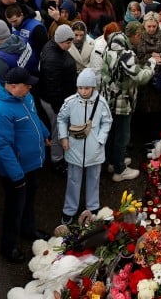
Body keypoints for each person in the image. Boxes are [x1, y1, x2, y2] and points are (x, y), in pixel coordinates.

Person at [0, 67, 49, 263]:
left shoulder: (25, 97)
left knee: (29, 200)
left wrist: (45, 134)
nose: (30, 87)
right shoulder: (0, 112)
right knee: (15, 208)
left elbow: (34, 118)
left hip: (31, 165)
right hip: (17, 171)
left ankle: (28, 230)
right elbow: (3, 147)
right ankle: (9, 246)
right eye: (26, 85)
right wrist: (16, 175)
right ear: (13, 87)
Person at [93, 23, 153, 182]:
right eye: (140, 36)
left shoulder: (109, 46)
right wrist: (151, 64)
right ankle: (119, 170)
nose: (140, 40)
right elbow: (141, 78)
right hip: (122, 101)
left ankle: (113, 161)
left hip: (108, 98)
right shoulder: (126, 54)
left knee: (111, 133)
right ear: (136, 35)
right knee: (122, 136)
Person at [56, 68, 112, 226]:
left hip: (94, 149)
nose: (83, 91)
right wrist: (63, 137)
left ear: (93, 87)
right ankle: (70, 209)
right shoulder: (70, 101)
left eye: (86, 88)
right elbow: (61, 119)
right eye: (80, 88)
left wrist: (100, 140)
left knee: (94, 177)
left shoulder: (101, 102)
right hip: (74, 148)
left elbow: (107, 121)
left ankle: (93, 206)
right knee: (73, 179)